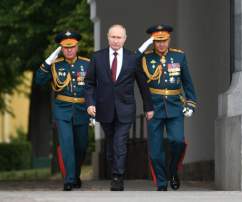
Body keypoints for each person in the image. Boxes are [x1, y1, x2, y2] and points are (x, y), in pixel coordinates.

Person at [84, 24, 154, 191]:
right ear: (108, 37)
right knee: (110, 145)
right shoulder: (97, 57)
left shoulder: (132, 58)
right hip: (104, 108)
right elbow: (89, 83)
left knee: (119, 142)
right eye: (113, 37)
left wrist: (148, 107)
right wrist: (90, 103)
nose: (116, 40)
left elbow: (142, 84)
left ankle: (117, 177)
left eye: (119, 37)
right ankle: (114, 167)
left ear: (125, 38)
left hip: (125, 108)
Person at [141, 25, 197, 191]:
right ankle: (161, 181)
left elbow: (187, 81)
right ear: (153, 41)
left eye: (163, 40)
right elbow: (132, 60)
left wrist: (191, 102)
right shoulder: (145, 58)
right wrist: (146, 44)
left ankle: (172, 171)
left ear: (169, 39)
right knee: (156, 149)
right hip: (154, 107)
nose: (160, 44)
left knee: (177, 141)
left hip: (174, 105)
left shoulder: (178, 56)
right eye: (157, 41)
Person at [35, 31, 89, 191]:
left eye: (72, 47)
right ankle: (69, 179)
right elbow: (39, 80)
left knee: (81, 146)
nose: (69, 50)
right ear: (61, 48)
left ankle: (76, 174)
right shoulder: (55, 65)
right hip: (62, 110)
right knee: (67, 144)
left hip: (82, 109)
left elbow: (94, 87)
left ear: (77, 47)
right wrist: (48, 61)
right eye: (65, 48)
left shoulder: (87, 64)